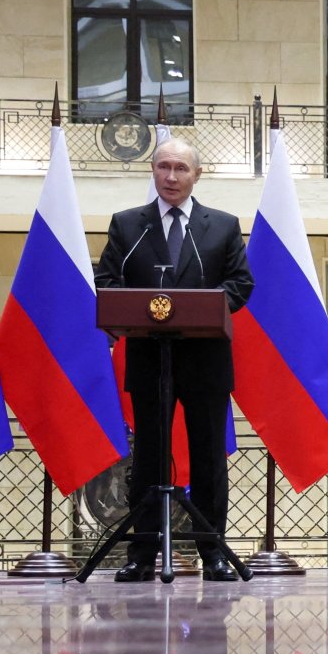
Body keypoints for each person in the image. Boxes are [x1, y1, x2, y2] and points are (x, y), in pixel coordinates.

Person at [94, 137, 253, 582]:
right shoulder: (129, 226)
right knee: (147, 459)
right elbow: (107, 278)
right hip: (149, 358)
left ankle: (213, 555)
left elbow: (241, 284)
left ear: (196, 175)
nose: (171, 176)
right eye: (163, 167)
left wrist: (207, 305)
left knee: (207, 460)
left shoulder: (221, 226)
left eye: (180, 168)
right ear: (153, 171)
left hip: (205, 360)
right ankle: (142, 556)